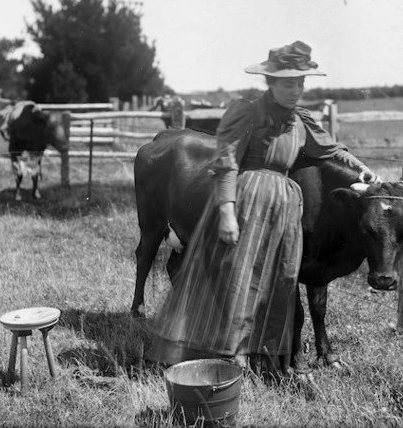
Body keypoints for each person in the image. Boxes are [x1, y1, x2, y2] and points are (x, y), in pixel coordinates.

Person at [148, 40, 380, 376]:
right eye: (287, 83)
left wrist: (360, 168)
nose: (295, 89)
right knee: (242, 278)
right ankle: (234, 355)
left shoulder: (300, 120)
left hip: (285, 207)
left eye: (300, 82)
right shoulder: (248, 112)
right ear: (269, 82)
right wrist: (226, 210)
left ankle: (270, 356)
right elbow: (226, 162)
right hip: (249, 200)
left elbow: (331, 150)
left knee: (282, 281)